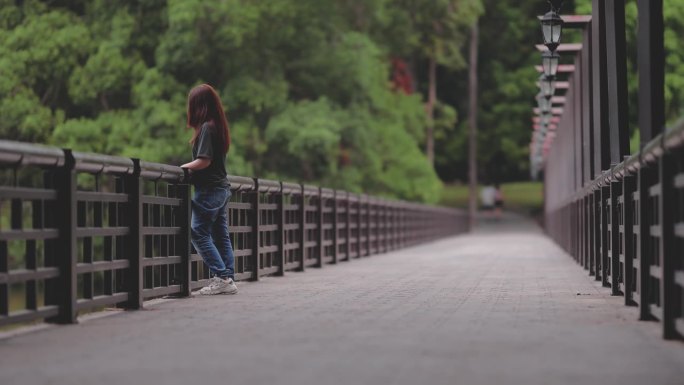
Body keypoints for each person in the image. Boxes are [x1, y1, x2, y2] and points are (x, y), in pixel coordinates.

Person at [181, 84, 237, 295]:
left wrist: (184, 167)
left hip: (210, 190)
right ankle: (228, 278)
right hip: (221, 188)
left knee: (198, 233)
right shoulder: (218, 126)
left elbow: (204, 161)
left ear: (198, 106)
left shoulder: (207, 127)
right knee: (220, 235)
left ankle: (221, 277)